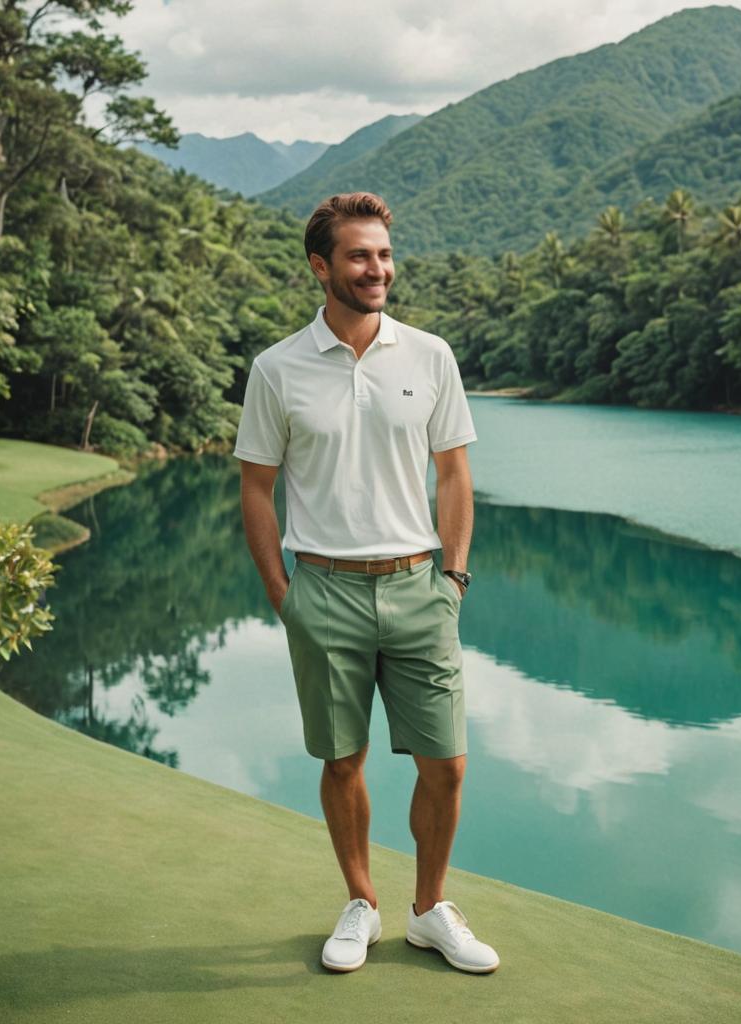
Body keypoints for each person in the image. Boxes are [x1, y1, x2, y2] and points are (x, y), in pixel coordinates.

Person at [234, 192, 499, 975]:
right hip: (324, 592)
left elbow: (453, 474)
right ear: (322, 267)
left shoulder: (431, 356)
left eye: (383, 254)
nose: (377, 268)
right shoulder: (277, 369)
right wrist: (286, 598)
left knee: (445, 762)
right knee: (342, 759)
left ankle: (428, 910)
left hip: (421, 586)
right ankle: (361, 901)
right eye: (359, 255)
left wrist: (452, 576)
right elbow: (256, 488)